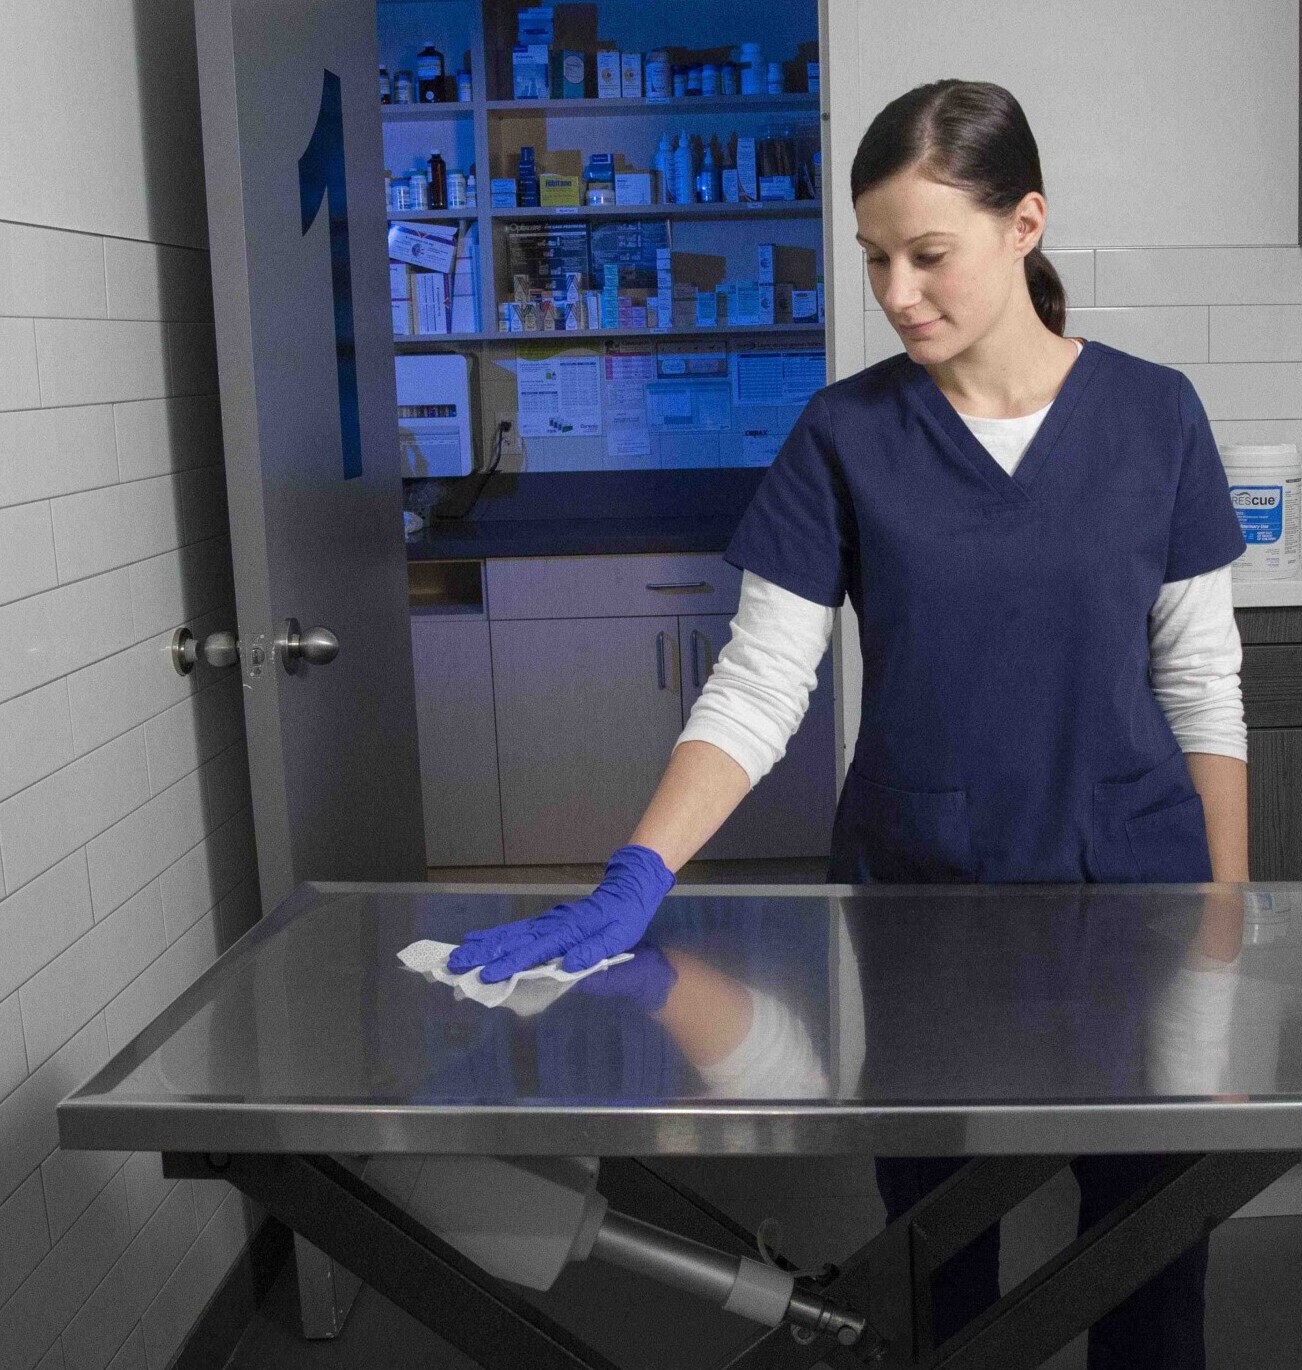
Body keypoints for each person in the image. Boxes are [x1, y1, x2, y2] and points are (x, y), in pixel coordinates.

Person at [449, 78, 1248, 1367]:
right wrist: (635, 875)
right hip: (917, 910)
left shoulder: (1157, 416)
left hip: (1132, 900)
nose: (895, 290)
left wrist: (1225, 913)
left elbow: (1203, 680)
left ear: (1024, 224)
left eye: (928, 254)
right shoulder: (846, 434)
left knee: (1145, 1240)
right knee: (934, 1256)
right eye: (875, 257)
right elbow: (763, 685)